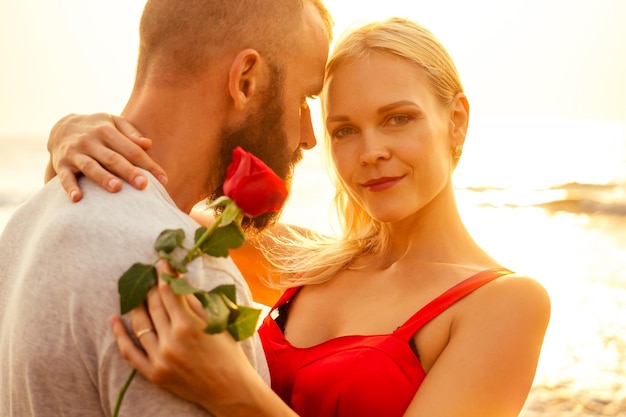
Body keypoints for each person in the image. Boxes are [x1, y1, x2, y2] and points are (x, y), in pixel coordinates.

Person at [46, 18, 551, 417]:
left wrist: (235, 394)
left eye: (398, 118)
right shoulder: (303, 261)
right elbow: (137, 215)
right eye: (345, 130)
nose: (371, 151)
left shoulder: (505, 303)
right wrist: (70, 134)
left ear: (456, 120)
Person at [0, 0, 332, 416]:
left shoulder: (23, 226)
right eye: (303, 98)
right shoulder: (183, 276)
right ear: (246, 80)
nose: (308, 136)